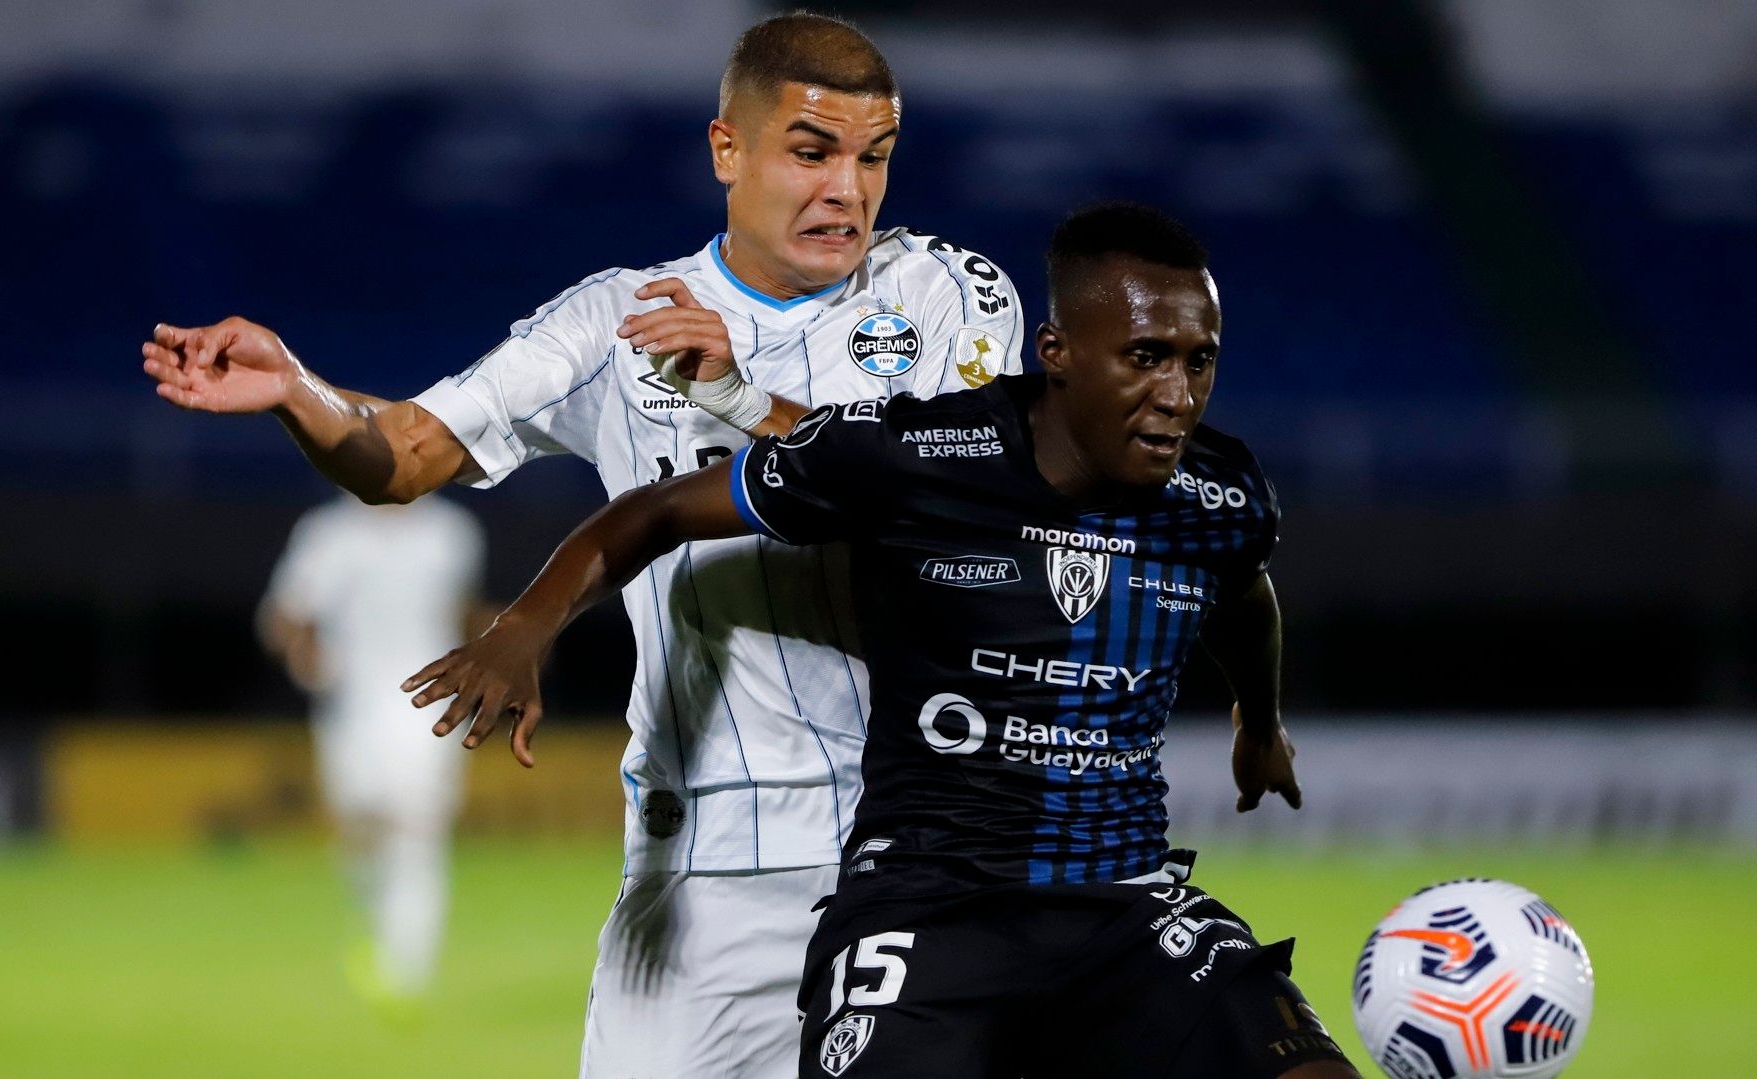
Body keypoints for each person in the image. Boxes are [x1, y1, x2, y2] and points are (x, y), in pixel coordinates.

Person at [140, 12, 1024, 1075]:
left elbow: (951, 500)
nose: (848, 188)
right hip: (699, 873)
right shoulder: (617, 318)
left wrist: (741, 395)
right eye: (811, 150)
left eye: (872, 157)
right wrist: (299, 390)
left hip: (917, 846)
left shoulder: (941, 295)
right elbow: (410, 449)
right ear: (726, 150)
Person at [402, 202, 1359, 1078]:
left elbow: (1239, 591)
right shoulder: (922, 454)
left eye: (1200, 360)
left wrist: (1259, 718)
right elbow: (659, 511)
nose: (1178, 394)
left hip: (1127, 900)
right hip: (933, 904)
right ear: (1058, 349)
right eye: (1146, 356)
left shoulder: (1219, 496)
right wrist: (525, 624)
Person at [257, 493, 489, 1013]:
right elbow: (284, 616)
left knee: (416, 829)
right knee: (360, 825)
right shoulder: (328, 533)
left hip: (430, 704)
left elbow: (464, 613)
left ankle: (404, 969)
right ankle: (377, 925)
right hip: (352, 706)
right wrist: (304, 655)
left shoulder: (450, 532)